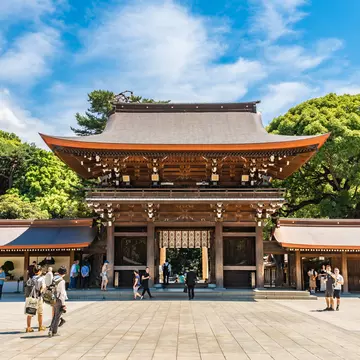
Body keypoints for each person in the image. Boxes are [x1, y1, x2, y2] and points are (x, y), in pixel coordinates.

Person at [25, 265, 46, 332]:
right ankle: (40, 327)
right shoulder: (42, 279)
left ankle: (28, 328)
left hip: (30, 298)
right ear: (39, 271)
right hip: (38, 297)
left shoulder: (30, 278)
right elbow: (43, 288)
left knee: (30, 313)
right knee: (40, 313)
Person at [48, 266, 68, 337]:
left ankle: (51, 329)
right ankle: (54, 331)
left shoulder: (54, 278)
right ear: (64, 273)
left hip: (52, 298)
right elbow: (62, 293)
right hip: (59, 299)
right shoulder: (62, 281)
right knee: (57, 316)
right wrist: (63, 304)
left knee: (55, 316)